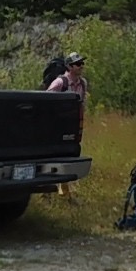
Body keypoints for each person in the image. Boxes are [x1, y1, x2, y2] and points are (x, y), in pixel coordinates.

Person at [46, 53, 89, 199]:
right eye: (78, 64)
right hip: (57, 126)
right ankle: (48, 189)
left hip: (73, 125)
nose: (81, 66)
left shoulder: (83, 83)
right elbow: (46, 103)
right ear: (69, 67)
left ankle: (63, 190)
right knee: (52, 156)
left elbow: (82, 104)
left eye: (82, 63)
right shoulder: (59, 83)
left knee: (69, 156)